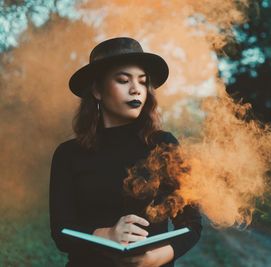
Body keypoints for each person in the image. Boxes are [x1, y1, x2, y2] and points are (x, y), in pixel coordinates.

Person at [49, 37, 202, 267]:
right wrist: (106, 235)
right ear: (98, 90)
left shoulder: (163, 145)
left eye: (142, 82)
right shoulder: (68, 154)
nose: (135, 90)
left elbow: (191, 223)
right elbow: (61, 232)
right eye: (123, 80)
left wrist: (158, 257)